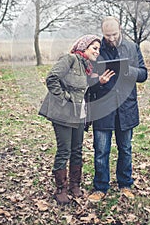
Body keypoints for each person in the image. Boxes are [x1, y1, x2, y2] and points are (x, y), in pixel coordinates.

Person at [39, 34, 114, 205]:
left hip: (79, 114)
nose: (97, 51)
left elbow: (83, 89)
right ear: (84, 47)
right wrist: (65, 98)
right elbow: (52, 79)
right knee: (64, 150)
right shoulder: (70, 59)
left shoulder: (88, 67)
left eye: (99, 49)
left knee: (77, 150)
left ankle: (75, 185)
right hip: (63, 113)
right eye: (94, 48)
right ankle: (61, 189)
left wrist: (99, 82)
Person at [88, 16, 148, 202]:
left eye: (114, 34)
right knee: (101, 151)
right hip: (103, 108)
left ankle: (125, 184)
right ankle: (100, 187)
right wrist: (99, 81)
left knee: (126, 149)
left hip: (126, 107)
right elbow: (88, 82)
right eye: (107, 35)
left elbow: (144, 74)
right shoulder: (95, 50)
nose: (111, 38)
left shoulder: (132, 47)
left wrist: (128, 71)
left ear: (120, 29)